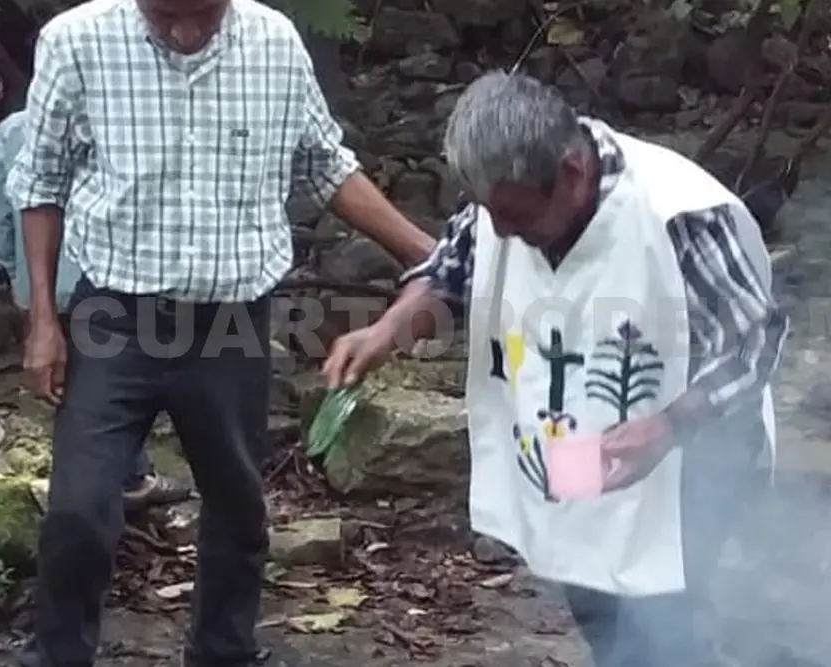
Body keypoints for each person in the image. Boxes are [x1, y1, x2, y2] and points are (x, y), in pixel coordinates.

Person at [4, 0, 436, 666]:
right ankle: (57, 654)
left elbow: (325, 166)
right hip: (114, 314)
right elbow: (40, 183)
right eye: (165, 16)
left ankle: (222, 650)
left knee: (238, 507)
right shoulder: (77, 41)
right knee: (78, 511)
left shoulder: (274, 43)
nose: (182, 31)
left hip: (231, 318)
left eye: (200, 17)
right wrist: (41, 319)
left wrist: (427, 254)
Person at [323, 70, 789, 667]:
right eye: (491, 212)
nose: (500, 231)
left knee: (661, 619)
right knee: (592, 589)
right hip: (575, 435)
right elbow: (452, 270)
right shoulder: (506, 195)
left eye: (514, 216)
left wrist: (669, 425)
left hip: (689, 453)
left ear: (571, 174)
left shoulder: (679, 214)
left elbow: (755, 342)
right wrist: (389, 330)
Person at [0, 109, 194, 512]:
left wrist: (16, 274)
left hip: (41, 282)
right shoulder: (116, 123)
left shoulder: (11, 131)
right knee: (113, 386)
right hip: (102, 282)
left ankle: (107, 479)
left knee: (70, 384)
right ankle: (125, 481)